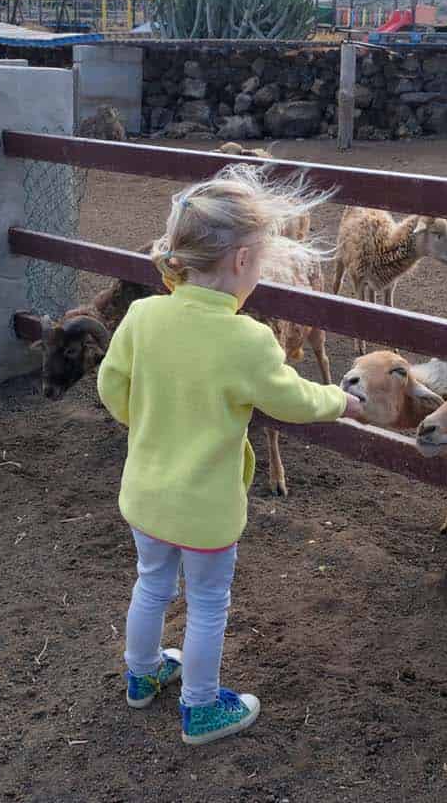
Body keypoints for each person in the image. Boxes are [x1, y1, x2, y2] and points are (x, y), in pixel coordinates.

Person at [97, 164, 363, 745]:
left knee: (151, 584)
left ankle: (141, 677)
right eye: (263, 261)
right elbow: (289, 398)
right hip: (206, 508)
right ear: (242, 262)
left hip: (145, 492)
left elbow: (111, 387)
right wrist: (339, 401)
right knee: (209, 602)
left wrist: (149, 423)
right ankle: (200, 707)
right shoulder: (246, 339)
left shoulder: (142, 316)